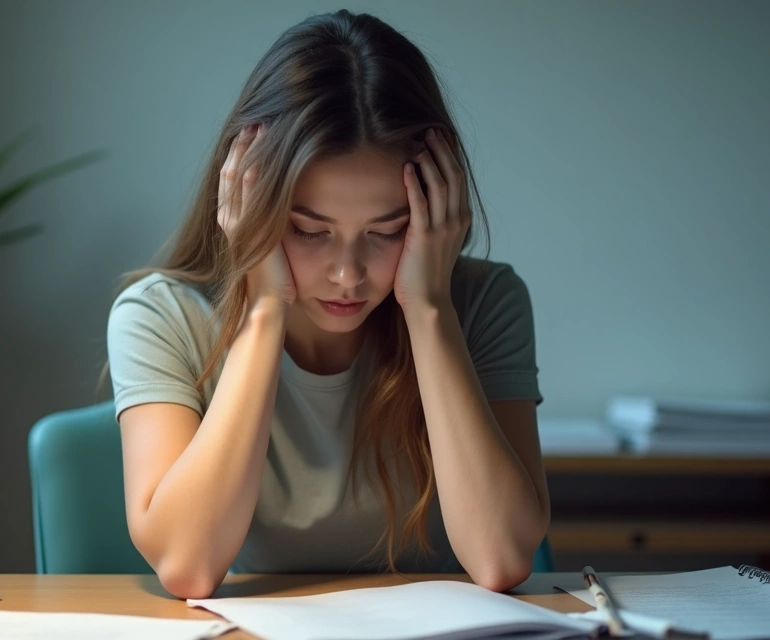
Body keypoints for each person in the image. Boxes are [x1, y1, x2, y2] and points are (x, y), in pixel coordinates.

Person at [105, 9, 548, 599]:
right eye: (310, 231)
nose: (348, 275)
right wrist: (264, 308)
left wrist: (430, 308)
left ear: (433, 214)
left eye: (388, 231)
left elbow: (501, 559)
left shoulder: (485, 303)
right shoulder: (160, 315)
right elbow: (188, 565)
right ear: (248, 204)